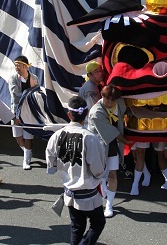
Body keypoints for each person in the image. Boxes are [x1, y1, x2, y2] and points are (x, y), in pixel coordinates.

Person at [46, 96, 107, 245]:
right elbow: (98, 169)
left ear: (68, 114)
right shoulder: (90, 138)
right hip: (87, 190)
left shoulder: (56, 135)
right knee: (98, 223)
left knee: (77, 226)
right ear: (86, 114)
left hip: (69, 187)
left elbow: (50, 162)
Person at [87, 85, 130, 218]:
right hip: (99, 145)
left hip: (112, 145)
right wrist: (127, 142)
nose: (109, 103)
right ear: (102, 96)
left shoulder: (121, 102)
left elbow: (126, 111)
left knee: (112, 175)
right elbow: (113, 133)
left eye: (112, 101)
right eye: (106, 100)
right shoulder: (96, 112)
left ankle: (109, 204)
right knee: (99, 175)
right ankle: (101, 194)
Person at [8, 55, 38, 170]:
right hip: (16, 110)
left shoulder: (34, 77)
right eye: (15, 65)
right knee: (18, 136)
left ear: (25, 66)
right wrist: (28, 94)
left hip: (29, 111)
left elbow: (37, 91)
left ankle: (26, 160)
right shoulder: (13, 78)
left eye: (18, 65)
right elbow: (14, 93)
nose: (16, 68)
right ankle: (27, 151)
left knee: (28, 136)